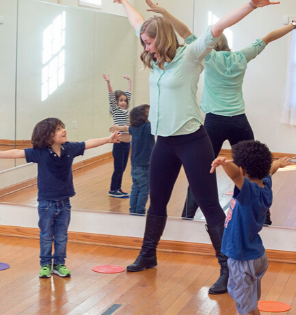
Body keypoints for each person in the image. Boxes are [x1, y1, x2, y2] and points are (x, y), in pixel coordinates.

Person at [115, 0, 279, 295]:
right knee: (158, 202)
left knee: (209, 206)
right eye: (144, 42)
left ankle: (226, 268)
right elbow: (136, 21)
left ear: (162, 39)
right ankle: (148, 254)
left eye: (150, 42)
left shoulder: (190, 55)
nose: (147, 47)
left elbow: (219, 26)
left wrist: (251, 5)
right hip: (163, 141)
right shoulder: (155, 57)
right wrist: (125, 2)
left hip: (192, 140)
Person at [146, 0, 296, 222]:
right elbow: (269, 36)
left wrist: (164, 11)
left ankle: (188, 215)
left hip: (214, 122)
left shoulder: (207, 56)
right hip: (239, 122)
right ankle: (264, 215)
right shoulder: (242, 56)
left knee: (202, 172)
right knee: (255, 167)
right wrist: (293, 25)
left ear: (211, 44)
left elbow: (185, 32)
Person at [0, 118, 121, 278]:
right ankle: (46, 265)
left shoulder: (69, 148)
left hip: (65, 203)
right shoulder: (40, 153)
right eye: (58, 129)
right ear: (47, 136)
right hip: (46, 204)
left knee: (62, 237)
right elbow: (19, 153)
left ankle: (59, 264)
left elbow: (88, 143)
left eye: (63, 127)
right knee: (46, 236)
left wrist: (108, 140)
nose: (63, 130)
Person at [211, 140, 290, 315]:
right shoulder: (264, 185)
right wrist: (278, 163)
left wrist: (224, 164)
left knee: (245, 308)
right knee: (249, 305)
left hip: (242, 259)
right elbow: (271, 170)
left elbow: (235, 177)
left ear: (242, 170)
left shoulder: (249, 193)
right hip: (256, 255)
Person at [110, 104, 154, 215]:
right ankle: (139, 210)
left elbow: (126, 128)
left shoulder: (134, 128)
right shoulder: (149, 127)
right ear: (143, 116)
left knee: (135, 186)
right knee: (144, 189)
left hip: (134, 163)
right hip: (145, 164)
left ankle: (133, 210)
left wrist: (116, 127)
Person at [103, 74, 132, 198]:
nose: (123, 102)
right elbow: (111, 96)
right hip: (119, 144)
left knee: (123, 168)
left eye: (125, 101)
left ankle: (118, 188)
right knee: (118, 168)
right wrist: (109, 83)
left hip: (127, 144)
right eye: (121, 100)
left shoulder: (126, 111)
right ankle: (113, 190)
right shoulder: (116, 110)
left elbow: (128, 94)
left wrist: (129, 81)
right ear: (116, 102)